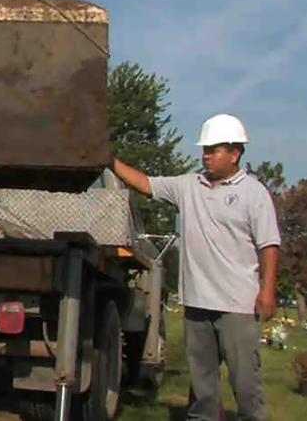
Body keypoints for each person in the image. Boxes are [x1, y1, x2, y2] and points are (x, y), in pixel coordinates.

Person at [110, 113, 280, 421]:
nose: (206, 156)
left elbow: (268, 245)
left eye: (213, 150)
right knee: (203, 387)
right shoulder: (188, 186)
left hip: (237, 306)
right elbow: (145, 184)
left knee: (245, 384)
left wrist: (267, 291)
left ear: (235, 154)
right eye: (205, 149)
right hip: (197, 304)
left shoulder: (254, 193)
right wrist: (110, 161)